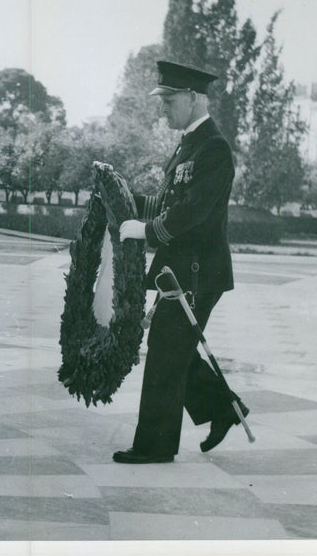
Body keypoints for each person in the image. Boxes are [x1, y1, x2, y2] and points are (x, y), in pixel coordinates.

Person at [114, 61, 248, 463]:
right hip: (182, 270)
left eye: (169, 100)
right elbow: (171, 202)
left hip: (198, 272)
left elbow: (192, 212)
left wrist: (147, 231)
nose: (164, 108)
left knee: (166, 350)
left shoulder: (214, 148)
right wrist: (129, 203)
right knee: (174, 346)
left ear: (193, 98)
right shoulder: (189, 143)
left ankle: (154, 447)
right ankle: (225, 408)